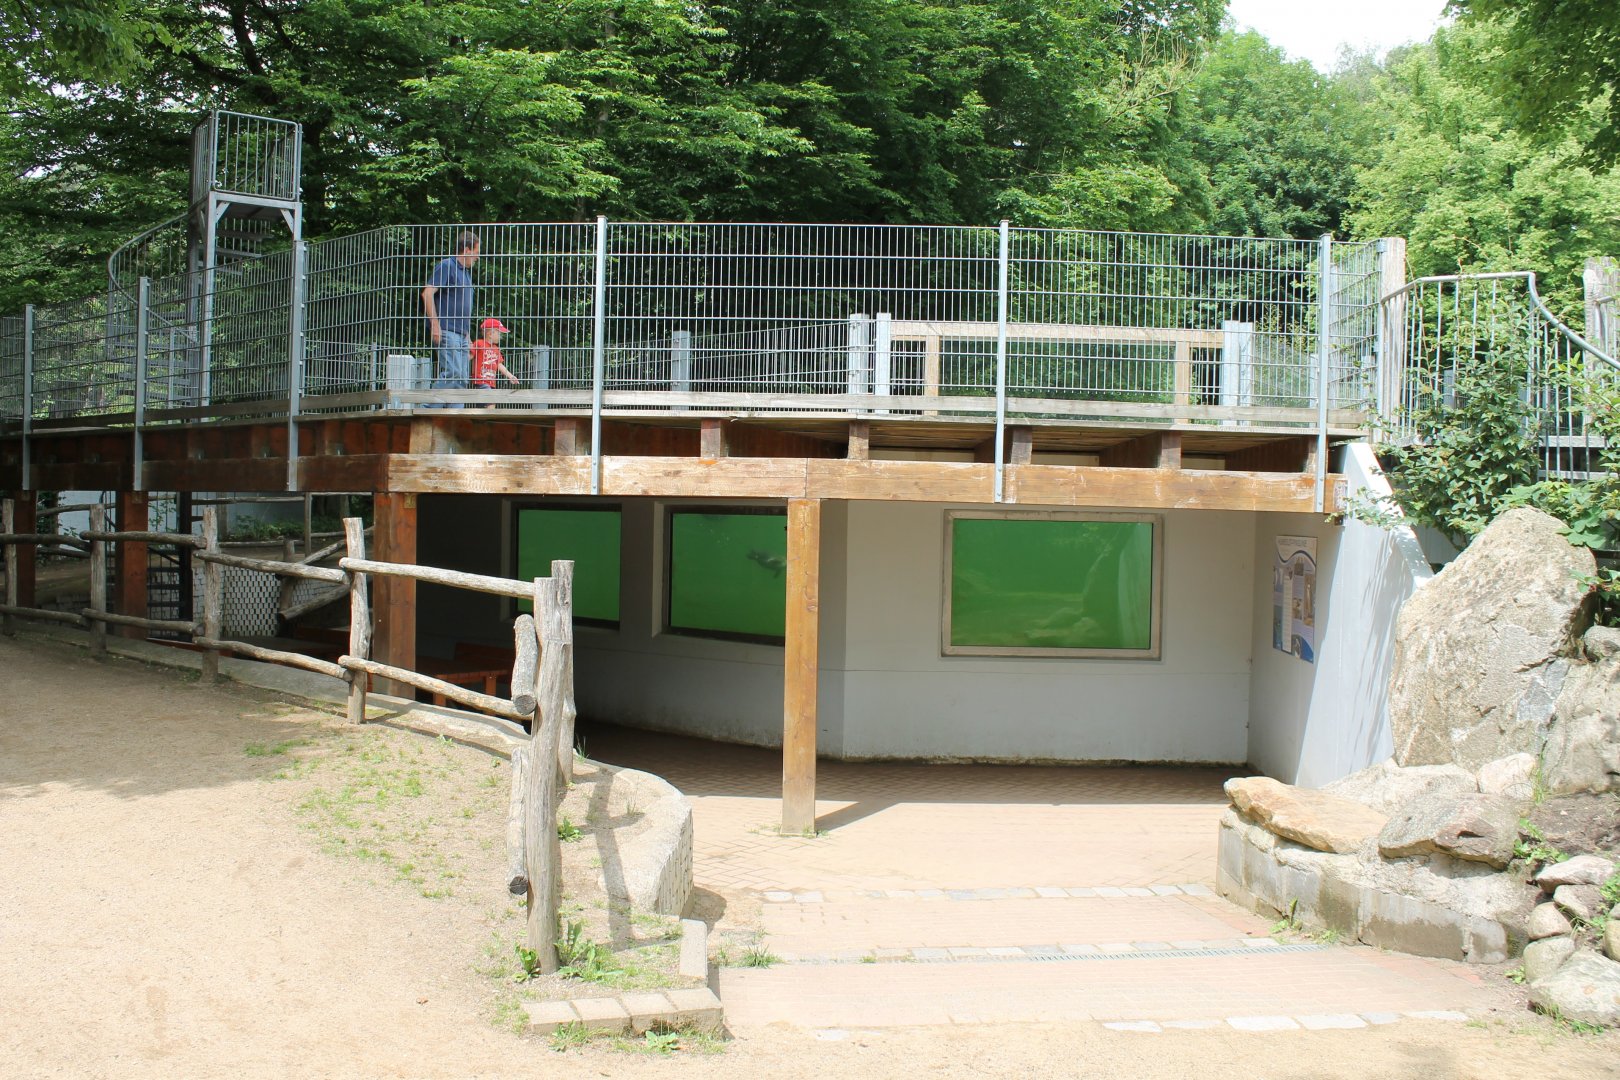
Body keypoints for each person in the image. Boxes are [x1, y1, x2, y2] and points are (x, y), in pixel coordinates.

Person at [421, 230, 481, 406]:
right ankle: (427, 411)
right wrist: (435, 325)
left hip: (461, 334)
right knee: (452, 373)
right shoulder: (447, 266)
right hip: (447, 330)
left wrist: (467, 335)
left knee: (461, 378)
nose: (477, 258)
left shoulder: (466, 273)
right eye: (476, 253)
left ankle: (454, 417)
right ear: (467, 250)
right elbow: (427, 294)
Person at [471, 317, 521, 407]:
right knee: (491, 402)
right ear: (490, 334)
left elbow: (499, 364)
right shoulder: (479, 343)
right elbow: (470, 356)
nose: (500, 336)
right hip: (481, 381)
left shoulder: (496, 348)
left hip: (491, 383)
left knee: (482, 406)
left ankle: (479, 421)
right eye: (499, 333)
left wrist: (510, 376)